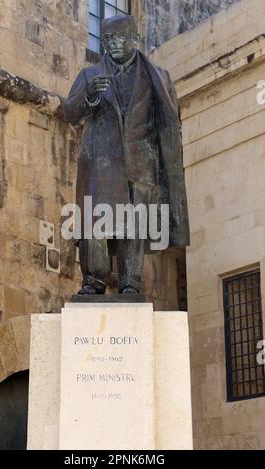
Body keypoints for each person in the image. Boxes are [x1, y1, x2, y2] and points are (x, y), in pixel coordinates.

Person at [63, 15, 189, 295]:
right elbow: (69, 112)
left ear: (135, 40)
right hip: (99, 163)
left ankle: (130, 282)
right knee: (93, 220)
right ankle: (93, 281)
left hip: (142, 162)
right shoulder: (89, 76)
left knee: (136, 222)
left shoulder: (160, 77)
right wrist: (89, 96)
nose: (113, 44)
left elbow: (168, 125)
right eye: (108, 39)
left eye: (120, 38)